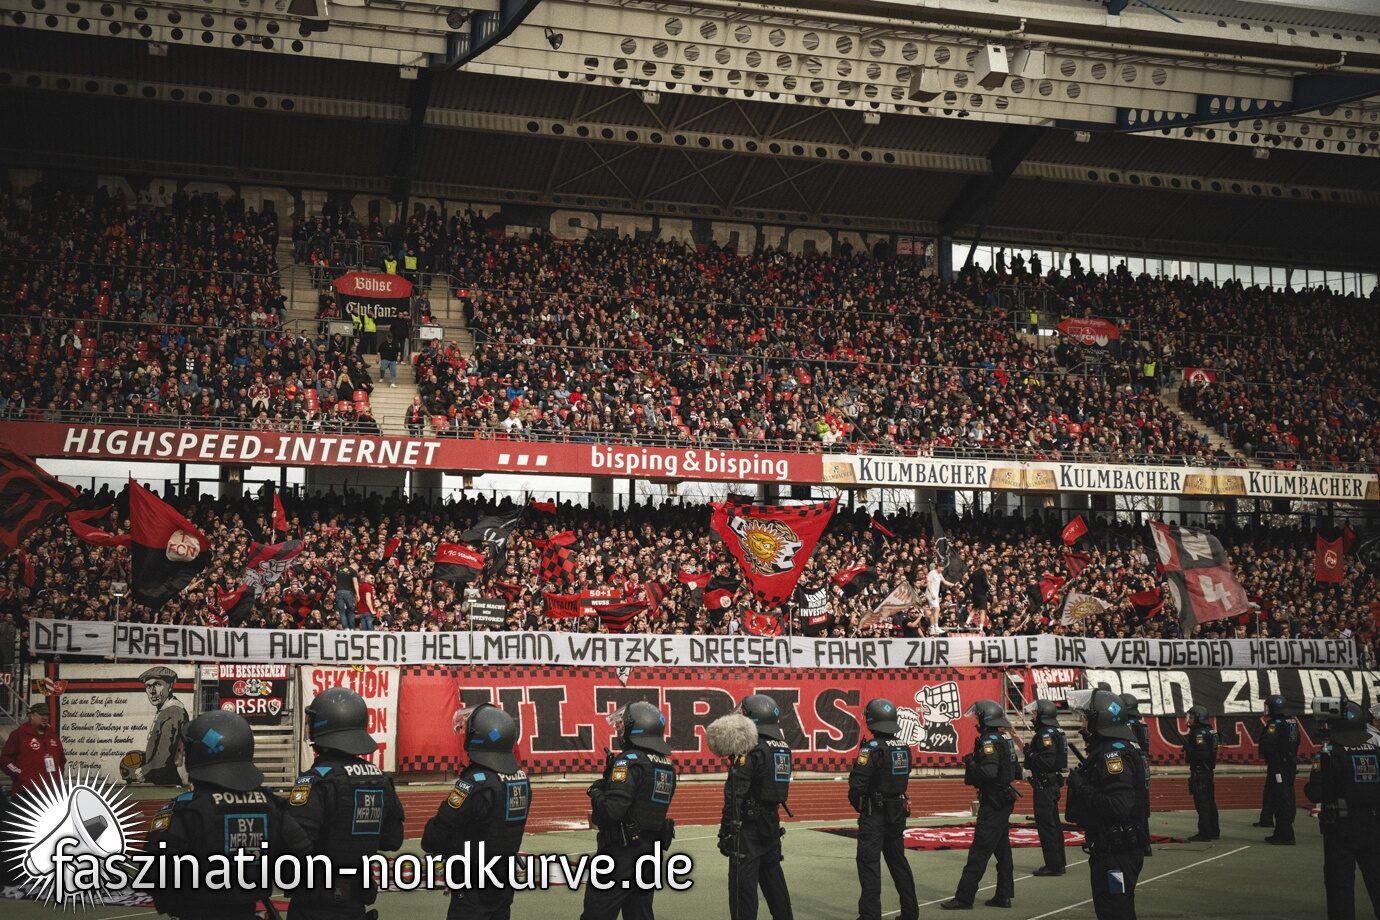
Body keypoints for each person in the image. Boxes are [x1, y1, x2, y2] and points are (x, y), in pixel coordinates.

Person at [145, 710, 311, 920]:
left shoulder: (184, 810)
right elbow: (301, 861)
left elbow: (155, 872)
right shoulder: (271, 804)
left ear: (198, 755)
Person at [288, 688, 405, 920]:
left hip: (316, 902)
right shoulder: (380, 779)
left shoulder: (315, 781)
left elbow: (294, 846)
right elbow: (393, 840)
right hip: (355, 901)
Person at [422, 702, 530, 920]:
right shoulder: (521, 780)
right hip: (503, 881)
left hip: (473, 884)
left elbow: (433, 837)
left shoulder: (474, 784)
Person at [580, 701, 676, 920]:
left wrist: (596, 792)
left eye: (623, 726)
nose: (620, 730)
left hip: (620, 853)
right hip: (650, 852)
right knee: (639, 913)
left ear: (637, 728)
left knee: (598, 912)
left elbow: (612, 811)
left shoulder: (628, 762)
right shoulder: (666, 765)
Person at [1064, 688, 1147, 920]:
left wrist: (1081, 786)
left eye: (1086, 717)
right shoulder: (1110, 749)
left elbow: (1118, 805)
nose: (1082, 723)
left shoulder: (1114, 755)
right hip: (1109, 847)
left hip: (1117, 851)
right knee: (1110, 908)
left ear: (1100, 719)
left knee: (1115, 910)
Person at [1304, 698, 1380, 920]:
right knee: (1376, 878)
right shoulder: (1375, 747)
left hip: (1341, 826)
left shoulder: (1330, 751)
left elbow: (1316, 792)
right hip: (1374, 823)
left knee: (1340, 885)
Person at [719, 693, 793, 920]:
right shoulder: (782, 747)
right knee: (774, 884)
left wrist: (727, 831)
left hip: (748, 829)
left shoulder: (750, 749)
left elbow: (735, 793)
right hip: (770, 824)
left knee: (743, 891)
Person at [941, 700, 1020, 910]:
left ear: (986, 719)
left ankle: (964, 897)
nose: (976, 720)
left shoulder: (989, 740)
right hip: (1004, 799)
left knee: (979, 850)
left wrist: (971, 763)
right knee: (1002, 850)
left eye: (978, 717)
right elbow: (1016, 771)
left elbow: (989, 772)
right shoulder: (1005, 737)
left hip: (994, 801)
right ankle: (1003, 894)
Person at [849, 698, 917, 920]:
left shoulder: (871, 749)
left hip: (874, 814)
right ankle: (910, 912)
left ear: (872, 721)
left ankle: (870, 915)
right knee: (898, 862)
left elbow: (857, 786)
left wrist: (860, 804)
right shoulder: (904, 748)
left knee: (869, 863)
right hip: (897, 812)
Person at [1022, 698, 1067, 877]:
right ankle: (1058, 862)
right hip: (1051, 782)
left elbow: (1046, 761)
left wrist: (1030, 754)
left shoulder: (1046, 734)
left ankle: (1053, 864)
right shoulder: (1055, 731)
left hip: (1045, 783)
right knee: (1054, 823)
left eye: (1035, 714)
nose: (1033, 717)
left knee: (1047, 824)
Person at [1257, 693, 1300, 845]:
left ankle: (1285, 835)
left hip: (1279, 766)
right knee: (1286, 796)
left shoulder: (1275, 724)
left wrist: (1269, 756)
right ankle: (1280, 832)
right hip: (1289, 764)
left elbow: (1268, 744)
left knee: (1281, 798)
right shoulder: (1292, 721)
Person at [1, 702, 65, 800]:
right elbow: (5, 760)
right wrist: (19, 773)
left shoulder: (53, 736)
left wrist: (57, 778)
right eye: (41, 714)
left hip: (51, 793)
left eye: (46, 715)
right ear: (32, 716)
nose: (45, 717)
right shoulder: (19, 735)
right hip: (25, 793)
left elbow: (61, 760)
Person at [139, 666, 188, 784]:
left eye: (157, 684)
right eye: (148, 686)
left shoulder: (173, 711)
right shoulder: (165, 711)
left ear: (170, 686)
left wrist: (142, 770)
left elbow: (164, 756)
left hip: (164, 778)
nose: (152, 691)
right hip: (161, 776)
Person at [1119, 694, 1152, 857]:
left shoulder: (1129, 724)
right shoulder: (1141, 723)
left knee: (1134, 806)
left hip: (1134, 763)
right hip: (1143, 762)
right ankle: (1145, 843)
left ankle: (1140, 843)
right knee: (1143, 804)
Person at [1183, 705, 1219, 842]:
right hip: (1207, 771)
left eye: (1191, 717)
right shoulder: (1209, 730)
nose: (1189, 720)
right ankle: (1214, 830)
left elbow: (1202, 755)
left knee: (1202, 803)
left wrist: (1189, 749)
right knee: (1210, 802)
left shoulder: (1200, 733)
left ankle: (1205, 832)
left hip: (1200, 771)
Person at [334, 560, 358, 629]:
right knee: (350, 611)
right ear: (354, 565)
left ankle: (346, 628)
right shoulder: (353, 571)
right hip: (348, 592)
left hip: (339, 591)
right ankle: (352, 628)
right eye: (357, 568)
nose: (357, 569)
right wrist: (357, 594)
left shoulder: (339, 570)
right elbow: (355, 583)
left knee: (341, 612)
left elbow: (335, 580)